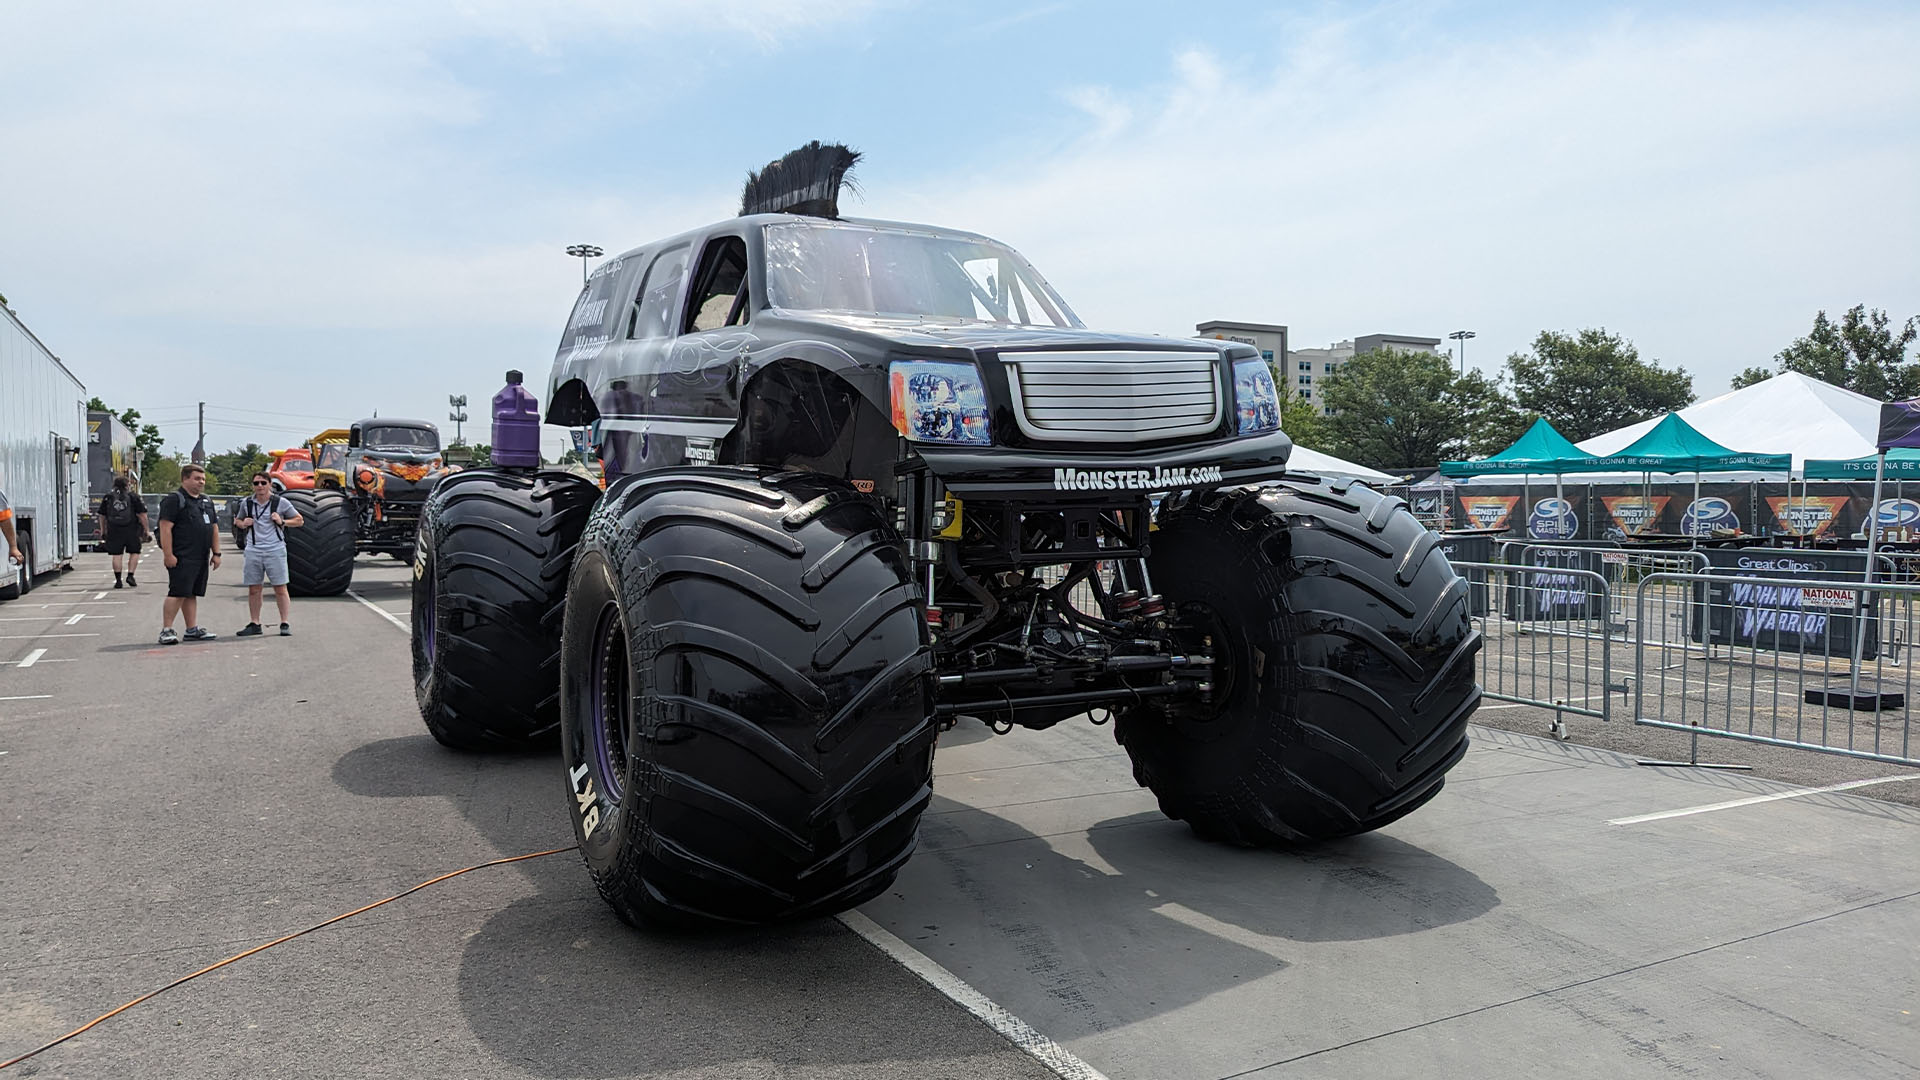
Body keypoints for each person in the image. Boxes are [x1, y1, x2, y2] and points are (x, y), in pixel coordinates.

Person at [156, 463, 221, 644]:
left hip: (201, 556)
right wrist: (168, 555)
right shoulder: (174, 500)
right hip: (182, 555)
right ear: (185, 479)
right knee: (177, 592)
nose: (201, 482)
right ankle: (166, 630)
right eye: (197, 478)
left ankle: (191, 629)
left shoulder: (206, 501)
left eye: (203, 479)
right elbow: (165, 528)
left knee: (191, 593)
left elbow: (214, 527)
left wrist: (217, 553)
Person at [232, 471, 302, 637]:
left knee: (280, 587)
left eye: (263, 483)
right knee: (254, 588)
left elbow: (299, 520)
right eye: (256, 483)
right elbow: (238, 521)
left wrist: (282, 521)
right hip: (253, 549)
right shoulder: (247, 503)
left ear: (270, 484)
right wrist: (243, 523)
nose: (260, 486)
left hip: (275, 549)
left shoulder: (281, 502)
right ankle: (255, 623)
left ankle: (284, 622)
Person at [100, 474, 149, 589]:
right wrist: (146, 530)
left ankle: (118, 580)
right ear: (127, 485)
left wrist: (103, 530)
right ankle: (130, 575)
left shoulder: (108, 497)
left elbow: (102, 515)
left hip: (114, 529)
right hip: (132, 529)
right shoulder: (133, 497)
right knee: (135, 552)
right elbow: (142, 515)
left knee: (117, 555)